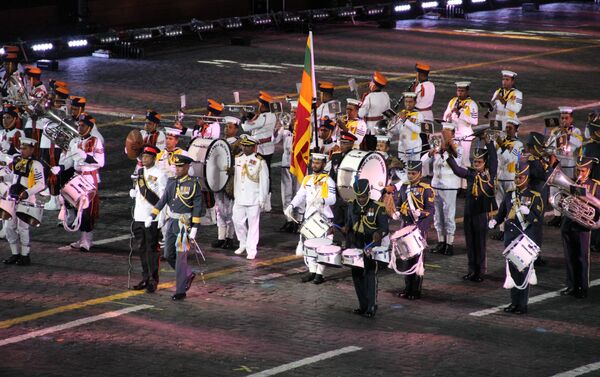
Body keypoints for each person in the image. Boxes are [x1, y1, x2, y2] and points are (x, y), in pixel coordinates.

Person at [490, 158, 543, 314]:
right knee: (513, 273)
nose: (517, 180)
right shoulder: (509, 194)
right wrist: (495, 221)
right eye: (516, 177)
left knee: (523, 272)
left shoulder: (534, 196)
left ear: (526, 178)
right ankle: (514, 302)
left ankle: (522, 304)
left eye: (520, 177)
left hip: (524, 239)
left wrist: (529, 213)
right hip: (510, 238)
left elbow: (538, 219)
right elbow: (502, 213)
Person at [148, 153, 202, 301]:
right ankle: (188, 274)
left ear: (186, 167)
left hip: (184, 225)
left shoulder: (193, 184)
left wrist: (195, 227)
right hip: (172, 222)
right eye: (176, 166)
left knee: (180, 259)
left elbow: (197, 207)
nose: (177, 169)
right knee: (168, 255)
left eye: (180, 167)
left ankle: (180, 291)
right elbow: (163, 200)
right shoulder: (172, 182)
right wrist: (152, 215)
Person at [446, 135, 497, 282]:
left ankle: (480, 271)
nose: (476, 164)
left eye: (479, 161)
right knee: (470, 243)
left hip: (481, 214)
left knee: (480, 244)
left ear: (485, 163)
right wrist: (446, 155)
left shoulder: (489, 175)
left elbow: (494, 160)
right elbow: (456, 170)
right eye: (475, 161)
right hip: (469, 214)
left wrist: (489, 143)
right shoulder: (470, 175)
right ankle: (471, 270)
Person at [285, 153, 336, 284]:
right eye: (313, 162)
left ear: (324, 164)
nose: (315, 165)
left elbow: (333, 199)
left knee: (322, 248)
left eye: (318, 163)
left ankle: (320, 274)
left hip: (323, 219)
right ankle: (312, 271)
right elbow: (300, 195)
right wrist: (291, 205)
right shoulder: (307, 179)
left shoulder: (328, 181)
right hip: (309, 218)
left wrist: (322, 200)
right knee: (308, 247)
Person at [57, 114, 105, 252]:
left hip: (89, 178)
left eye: (82, 125)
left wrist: (84, 156)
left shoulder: (96, 141)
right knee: (78, 209)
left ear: (89, 127)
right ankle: (82, 238)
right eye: (78, 125)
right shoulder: (74, 141)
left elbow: (101, 162)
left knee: (87, 211)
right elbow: (69, 161)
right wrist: (60, 167)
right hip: (77, 177)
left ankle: (87, 240)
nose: (79, 127)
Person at [344, 179, 389, 318]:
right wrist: (343, 228)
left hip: (370, 244)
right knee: (356, 275)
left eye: (363, 196)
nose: (361, 199)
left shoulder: (377, 207)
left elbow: (384, 228)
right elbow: (349, 224)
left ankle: (371, 306)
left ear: (368, 193)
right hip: (356, 243)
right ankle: (362, 305)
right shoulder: (352, 205)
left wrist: (378, 234)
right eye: (359, 197)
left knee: (370, 275)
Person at [559, 156, 599, 299]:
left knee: (582, 258)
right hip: (568, 224)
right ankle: (571, 285)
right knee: (569, 257)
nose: (580, 174)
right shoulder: (570, 183)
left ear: (589, 171)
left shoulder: (595, 186)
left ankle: (582, 287)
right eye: (578, 170)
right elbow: (561, 201)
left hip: (583, 226)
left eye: (583, 171)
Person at [393, 160, 434, 299]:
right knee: (406, 259)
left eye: (413, 173)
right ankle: (407, 288)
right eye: (408, 173)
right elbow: (399, 203)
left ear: (420, 173)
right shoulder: (404, 187)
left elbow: (430, 210)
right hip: (406, 227)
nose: (410, 176)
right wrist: (397, 212)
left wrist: (420, 214)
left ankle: (416, 290)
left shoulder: (426, 188)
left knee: (418, 261)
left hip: (418, 229)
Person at [130, 145, 167, 293]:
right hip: (139, 215)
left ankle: (153, 279)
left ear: (153, 158)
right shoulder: (139, 173)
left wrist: (160, 218)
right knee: (142, 249)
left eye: (146, 157)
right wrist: (133, 193)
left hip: (151, 216)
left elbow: (163, 197)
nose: (143, 159)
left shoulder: (160, 174)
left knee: (152, 249)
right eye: (143, 157)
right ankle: (145, 277)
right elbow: (140, 192)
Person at [2, 138, 45, 266]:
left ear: (32, 149)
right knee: (9, 227)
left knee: (23, 228)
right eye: (21, 148)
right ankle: (15, 253)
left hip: (26, 199)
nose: (22, 150)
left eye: (25, 148)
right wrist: (2, 177)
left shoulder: (36, 165)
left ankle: (25, 255)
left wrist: (27, 192)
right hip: (12, 197)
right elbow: (13, 177)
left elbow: (41, 184)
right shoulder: (16, 160)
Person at [422, 123, 463, 255]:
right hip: (436, 185)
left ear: (453, 134)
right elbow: (422, 162)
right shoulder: (436, 146)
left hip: (450, 186)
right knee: (438, 216)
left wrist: (446, 151)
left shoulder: (458, 148)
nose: (444, 134)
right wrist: (430, 153)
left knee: (449, 216)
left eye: (447, 132)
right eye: (443, 131)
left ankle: (449, 244)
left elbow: (457, 165)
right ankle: (441, 242)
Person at [232, 135, 269, 260]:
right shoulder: (238, 159)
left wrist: (262, 199)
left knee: (253, 225)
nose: (245, 148)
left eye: (248, 146)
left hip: (253, 197)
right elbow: (237, 178)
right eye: (244, 145)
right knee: (236, 221)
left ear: (254, 147)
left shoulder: (259, 161)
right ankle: (242, 242)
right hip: (240, 197)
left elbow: (264, 181)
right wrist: (235, 193)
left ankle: (251, 248)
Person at [548, 106, 583, 226]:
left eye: (566, 118)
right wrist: (558, 134)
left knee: (568, 191)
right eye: (562, 118)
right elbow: (550, 145)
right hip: (558, 165)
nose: (563, 120)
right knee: (554, 189)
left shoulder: (576, 131)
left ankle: (567, 217)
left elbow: (578, 143)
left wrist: (566, 134)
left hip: (570, 166)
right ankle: (557, 216)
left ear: (571, 119)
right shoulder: (555, 131)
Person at [242, 91, 276, 212]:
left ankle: (265, 202)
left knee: (263, 176)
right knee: (266, 175)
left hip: (262, 150)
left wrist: (243, 119)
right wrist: (251, 117)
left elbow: (247, 127)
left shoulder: (263, 117)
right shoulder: (271, 115)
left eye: (260, 104)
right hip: (267, 149)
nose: (258, 107)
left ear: (263, 105)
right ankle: (266, 201)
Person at [212, 116, 241, 249]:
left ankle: (230, 237)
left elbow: (241, 162)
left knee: (230, 211)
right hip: (219, 180)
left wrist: (233, 169)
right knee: (219, 210)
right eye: (225, 126)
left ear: (236, 129)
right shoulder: (219, 142)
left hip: (230, 182)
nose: (226, 129)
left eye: (229, 127)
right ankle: (221, 237)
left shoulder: (240, 144)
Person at [493, 120, 524, 239]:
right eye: (506, 127)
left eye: (510, 128)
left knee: (510, 205)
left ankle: (509, 229)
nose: (507, 130)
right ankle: (501, 230)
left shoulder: (518, 144)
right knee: (499, 205)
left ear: (516, 129)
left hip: (511, 179)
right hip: (499, 177)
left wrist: (501, 145)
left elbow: (511, 159)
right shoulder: (501, 142)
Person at [443, 81, 478, 168]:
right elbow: (445, 115)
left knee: (464, 160)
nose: (459, 93)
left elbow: (475, 121)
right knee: (454, 158)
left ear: (467, 91)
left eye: (462, 91)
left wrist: (460, 114)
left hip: (465, 135)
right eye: (458, 90)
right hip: (453, 135)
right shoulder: (453, 101)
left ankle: (466, 180)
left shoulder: (471, 104)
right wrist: (447, 117)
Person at [274, 112, 298, 233]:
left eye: (295, 113)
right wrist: (277, 127)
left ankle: (298, 221)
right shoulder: (284, 127)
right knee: (286, 194)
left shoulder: (304, 127)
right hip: (286, 162)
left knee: (298, 193)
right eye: (292, 113)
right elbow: (275, 140)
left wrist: (294, 129)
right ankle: (289, 220)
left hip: (298, 164)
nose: (292, 116)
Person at [359, 71, 391, 150]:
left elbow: (361, 114)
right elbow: (388, 113)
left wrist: (360, 106)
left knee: (370, 151)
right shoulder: (386, 95)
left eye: (371, 82)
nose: (369, 84)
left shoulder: (369, 97)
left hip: (371, 130)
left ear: (374, 85)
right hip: (382, 129)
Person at [395, 92, 424, 163]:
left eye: (410, 102)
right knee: (402, 169)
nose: (408, 104)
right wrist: (394, 122)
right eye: (406, 101)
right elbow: (398, 129)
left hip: (413, 148)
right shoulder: (402, 113)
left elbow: (418, 130)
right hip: (402, 148)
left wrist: (405, 120)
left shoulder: (419, 115)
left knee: (413, 170)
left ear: (415, 102)